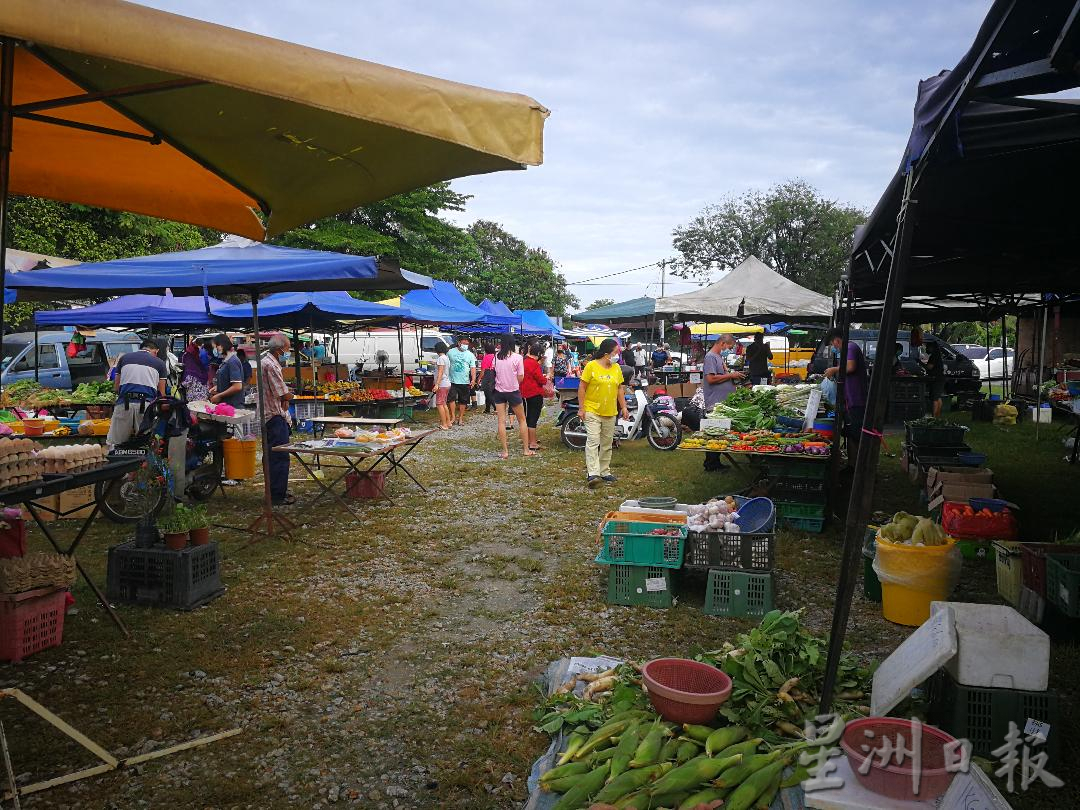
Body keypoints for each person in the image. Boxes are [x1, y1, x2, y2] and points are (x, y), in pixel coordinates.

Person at [578, 338, 630, 487]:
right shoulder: (591, 366)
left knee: (607, 443)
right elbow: (582, 387)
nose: (617, 356)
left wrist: (624, 407)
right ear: (607, 354)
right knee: (593, 441)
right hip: (592, 409)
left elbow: (619, 388)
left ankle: (604, 471)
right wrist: (582, 408)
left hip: (610, 411)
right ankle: (593, 473)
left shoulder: (616, 368)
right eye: (616, 353)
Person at [106, 337, 167, 449]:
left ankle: (114, 462)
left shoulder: (124, 358)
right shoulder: (160, 364)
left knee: (115, 442)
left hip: (124, 402)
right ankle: (144, 464)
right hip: (146, 406)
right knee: (145, 442)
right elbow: (161, 394)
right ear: (156, 351)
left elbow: (116, 387)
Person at [702, 334, 746, 472]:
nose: (730, 350)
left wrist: (732, 376)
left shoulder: (718, 357)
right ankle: (710, 464)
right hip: (714, 402)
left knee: (719, 433)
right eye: (730, 347)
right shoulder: (710, 357)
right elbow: (711, 379)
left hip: (721, 402)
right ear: (722, 343)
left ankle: (715, 462)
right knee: (714, 434)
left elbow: (721, 377)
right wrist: (730, 375)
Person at [822, 328, 869, 459]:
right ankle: (852, 465)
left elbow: (850, 367)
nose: (833, 347)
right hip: (850, 401)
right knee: (850, 434)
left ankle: (860, 467)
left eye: (832, 344)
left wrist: (833, 369)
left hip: (857, 400)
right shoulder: (846, 350)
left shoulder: (850, 347)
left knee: (857, 434)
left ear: (837, 340)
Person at [260, 333, 295, 506]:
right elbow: (281, 392)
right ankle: (277, 494)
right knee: (279, 456)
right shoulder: (271, 365)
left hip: (268, 413)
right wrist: (290, 396)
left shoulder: (265, 361)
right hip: (274, 415)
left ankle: (272, 490)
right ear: (280, 349)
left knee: (270, 455)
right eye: (288, 347)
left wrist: (285, 398)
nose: (288, 351)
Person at [491, 335, 534, 459]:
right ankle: (526, 449)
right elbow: (521, 376)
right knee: (522, 420)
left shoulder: (496, 357)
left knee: (501, 421)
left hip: (499, 391)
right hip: (513, 391)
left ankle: (505, 451)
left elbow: (494, 373)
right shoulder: (518, 358)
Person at [521, 342, 548, 452]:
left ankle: (528, 440)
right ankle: (532, 443)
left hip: (523, 393)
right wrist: (546, 378)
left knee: (527, 417)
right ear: (539, 354)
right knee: (533, 418)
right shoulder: (534, 364)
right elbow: (540, 380)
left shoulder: (524, 361)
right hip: (534, 393)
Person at [911, 326, 944, 417]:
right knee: (938, 397)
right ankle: (937, 415)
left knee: (934, 398)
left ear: (932, 347)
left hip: (937, 379)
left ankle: (935, 416)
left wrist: (920, 363)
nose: (926, 349)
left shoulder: (934, 356)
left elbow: (929, 367)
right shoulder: (936, 355)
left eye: (928, 347)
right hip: (939, 378)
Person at [208, 333, 247, 408]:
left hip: (234, 407)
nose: (215, 350)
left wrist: (219, 395)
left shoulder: (232, 361)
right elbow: (228, 381)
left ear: (221, 346)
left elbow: (237, 386)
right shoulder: (226, 361)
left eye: (215, 347)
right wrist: (218, 387)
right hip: (227, 406)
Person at [446, 336, 477, 427]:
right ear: (459, 343)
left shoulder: (470, 354)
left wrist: (474, 379)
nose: (465, 345)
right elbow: (446, 364)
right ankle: (453, 417)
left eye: (467, 344)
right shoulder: (451, 352)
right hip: (452, 380)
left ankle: (461, 418)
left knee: (463, 401)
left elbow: (473, 368)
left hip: (464, 381)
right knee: (451, 399)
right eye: (464, 343)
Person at [432, 341, 452, 430]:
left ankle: (444, 424)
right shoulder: (446, 357)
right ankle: (448, 422)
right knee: (444, 403)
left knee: (439, 404)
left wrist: (437, 384)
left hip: (442, 384)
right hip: (447, 383)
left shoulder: (440, 358)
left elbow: (440, 372)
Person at [479, 342, 497, 414]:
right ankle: (487, 409)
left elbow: (483, 370)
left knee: (487, 392)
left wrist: (479, 378)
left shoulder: (486, 357)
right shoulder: (495, 356)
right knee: (490, 392)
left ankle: (496, 407)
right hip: (494, 375)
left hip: (487, 375)